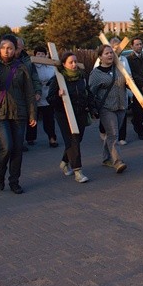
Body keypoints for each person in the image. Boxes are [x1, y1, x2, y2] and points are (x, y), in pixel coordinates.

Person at [0, 35, 36, 194]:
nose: (6, 50)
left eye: (10, 48)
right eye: (3, 47)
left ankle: (14, 181)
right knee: (7, 147)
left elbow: (29, 92)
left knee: (18, 149)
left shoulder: (22, 67)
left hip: (19, 113)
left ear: (15, 50)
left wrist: (32, 113)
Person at [47, 51, 90, 183]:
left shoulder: (82, 76)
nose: (74, 64)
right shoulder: (58, 79)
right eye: (70, 62)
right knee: (73, 141)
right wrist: (59, 96)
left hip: (80, 112)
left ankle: (65, 161)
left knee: (78, 139)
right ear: (64, 64)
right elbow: (50, 99)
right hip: (64, 114)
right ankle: (78, 171)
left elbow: (87, 92)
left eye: (75, 61)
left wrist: (91, 106)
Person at [89, 44, 127, 173]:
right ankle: (117, 162)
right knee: (114, 135)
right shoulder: (96, 74)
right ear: (100, 57)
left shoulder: (119, 69)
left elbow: (127, 83)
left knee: (111, 135)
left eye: (111, 53)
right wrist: (92, 109)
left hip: (121, 106)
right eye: (106, 53)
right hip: (106, 108)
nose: (110, 55)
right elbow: (91, 92)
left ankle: (106, 158)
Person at [95, 36, 130, 145]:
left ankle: (121, 137)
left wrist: (130, 92)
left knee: (122, 115)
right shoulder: (101, 61)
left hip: (121, 93)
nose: (115, 50)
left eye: (118, 47)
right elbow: (96, 76)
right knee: (108, 118)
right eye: (113, 48)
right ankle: (105, 132)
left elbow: (128, 75)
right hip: (107, 96)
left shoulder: (123, 59)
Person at [26, 46, 58, 147]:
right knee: (32, 118)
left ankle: (52, 138)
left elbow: (55, 77)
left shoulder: (51, 66)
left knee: (49, 119)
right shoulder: (31, 67)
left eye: (42, 54)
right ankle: (30, 138)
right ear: (35, 55)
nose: (41, 56)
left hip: (48, 95)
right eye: (38, 54)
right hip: (35, 96)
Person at [15, 36, 41, 152]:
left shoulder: (28, 60)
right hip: (13, 94)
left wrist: (38, 91)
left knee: (25, 119)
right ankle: (15, 143)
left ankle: (20, 142)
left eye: (18, 46)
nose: (15, 49)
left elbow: (35, 77)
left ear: (22, 47)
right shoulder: (5, 61)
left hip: (27, 93)